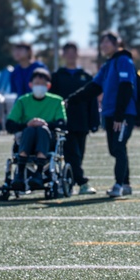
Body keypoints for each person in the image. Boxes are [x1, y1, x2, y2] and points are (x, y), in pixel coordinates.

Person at [68, 30, 139, 198]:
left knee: (118, 147)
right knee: (115, 150)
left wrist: (120, 115)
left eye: (107, 42)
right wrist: (72, 99)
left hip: (122, 115)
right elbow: (94, 87)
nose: (103, 45)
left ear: (117, 43)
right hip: (109, 114)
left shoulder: (123, 60)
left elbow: (126, 87)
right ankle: (126, 184)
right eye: (102, 42)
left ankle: (118, 185)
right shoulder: (108, 65)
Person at [5, 68, 67, 191]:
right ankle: (20, 174)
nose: (39, 86)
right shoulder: (23, 101)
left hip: (48, 140)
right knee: (30, 130)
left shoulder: (56, 101)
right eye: (36, 83)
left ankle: (38, 172)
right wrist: (28, 124)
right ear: (30, 85)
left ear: (48, 86)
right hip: (27, 137)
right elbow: (10, 124)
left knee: (41, 129)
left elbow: (62, 123)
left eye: (42, 84)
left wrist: (44, 124)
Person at [51, 42, 101, 195]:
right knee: (72, 154)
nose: (71, 55)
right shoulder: (57, 76)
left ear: (77, 54)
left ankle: (69, 183)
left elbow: (92, 101)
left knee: (79, 155)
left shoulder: (86, 76)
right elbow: (52, 100)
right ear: (63, 55)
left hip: (82, 121)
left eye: (73, 51)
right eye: (68, 52)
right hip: (64, 123)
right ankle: (82, 183)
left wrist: (94, 121)